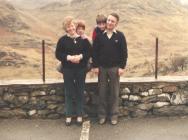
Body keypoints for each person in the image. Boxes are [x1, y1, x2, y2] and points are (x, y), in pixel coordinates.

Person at [92, 13, 128, 125]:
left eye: (112, 21)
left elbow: (124, 53)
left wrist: (122, 67)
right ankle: (102, 115)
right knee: (101, 92)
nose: (109, 22)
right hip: (102, 68)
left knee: (114, 93)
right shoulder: (99, 36)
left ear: (116, 23)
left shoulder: (120, 36)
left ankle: (114, 115)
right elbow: (94, 52)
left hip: (114, 68)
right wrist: (95, 66)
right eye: (108, 20)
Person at [55, 16, 91, 126]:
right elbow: (58, 54)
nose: (70, 28)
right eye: (68, 27)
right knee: (69, 92)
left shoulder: (83, 39)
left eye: (71, 25)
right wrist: (69, 58)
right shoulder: (62, 40)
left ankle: (80, 115)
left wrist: (80, 57)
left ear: (74, 26)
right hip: (68, 70)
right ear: (66, 29)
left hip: (80, 69)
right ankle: (69, 115)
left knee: (80, 91)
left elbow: (88, 52)